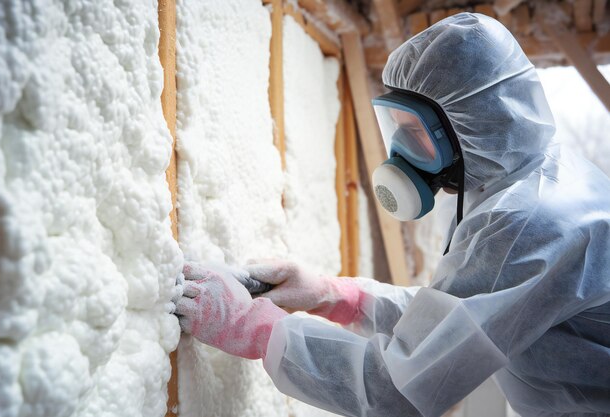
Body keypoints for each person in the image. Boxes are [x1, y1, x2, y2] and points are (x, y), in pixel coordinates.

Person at [175, 13, 610, 417]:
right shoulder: (527, 180)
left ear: (473, 122)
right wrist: (337, 296)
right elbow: (455, 318)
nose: (403, 149)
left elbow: (399, 388)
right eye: (396, 127)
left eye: (415, 130)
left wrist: (256, 330)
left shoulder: (527, 221)